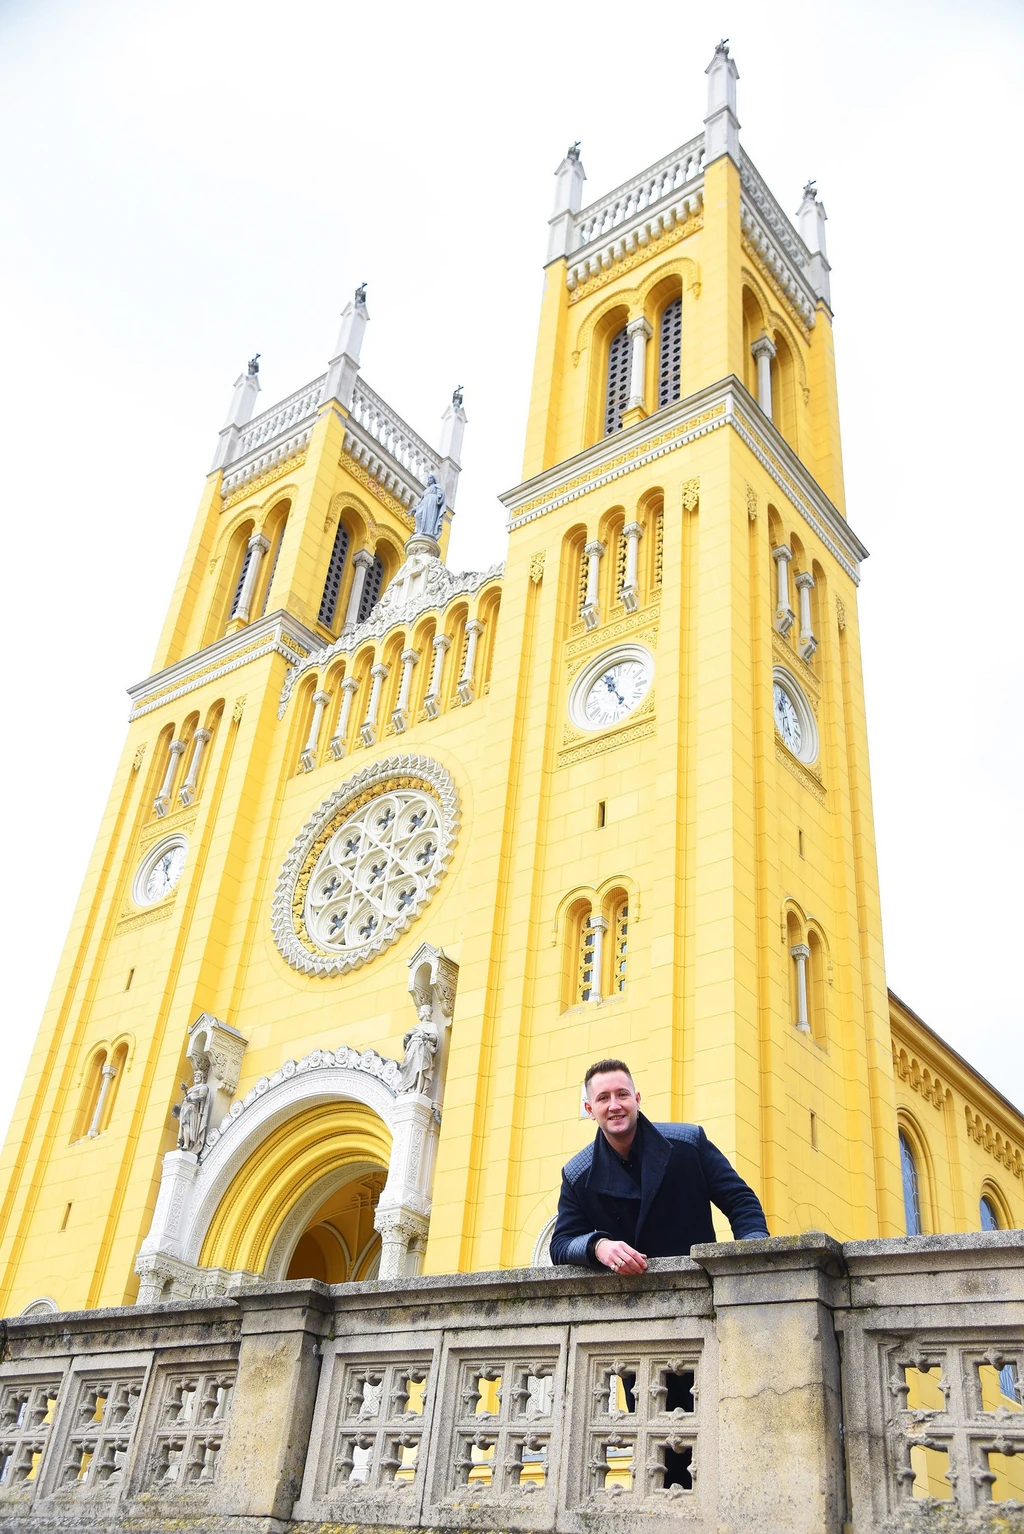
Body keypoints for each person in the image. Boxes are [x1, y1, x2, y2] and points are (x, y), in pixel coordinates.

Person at [550, 1058, 769, 1271]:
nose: (614, 1105)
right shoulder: (576, 1174)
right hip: (627, 1298)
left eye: (622, 1094)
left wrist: (751, 1258)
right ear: (590, 1110)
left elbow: (741, 1201)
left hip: (700, 1286)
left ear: (637, 1099)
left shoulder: (690, 1143)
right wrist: (598, 1246)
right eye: (603, 1098)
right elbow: (561, 1245)